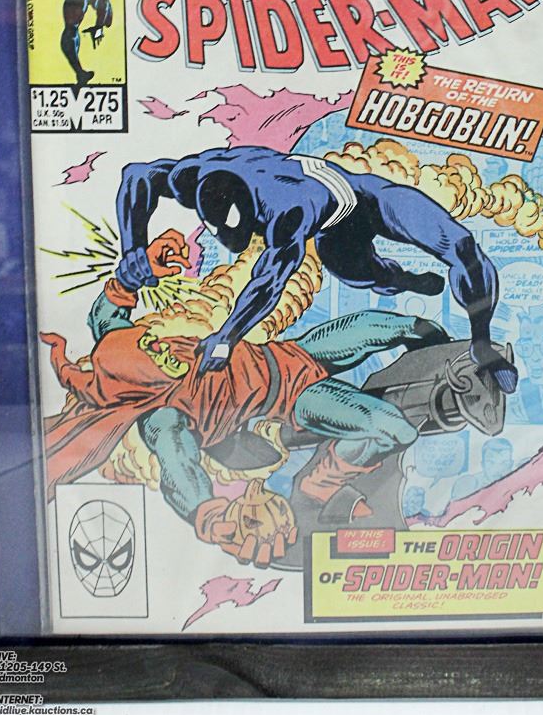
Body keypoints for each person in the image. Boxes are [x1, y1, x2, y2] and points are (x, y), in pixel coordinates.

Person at [42, 230, 451, 567]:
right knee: (392, 427)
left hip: (289, 355)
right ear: (141, 387)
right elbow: (176, 461)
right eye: (155, 357)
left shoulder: (117, 344)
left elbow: (106, 315)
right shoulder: (163, 418)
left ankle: (438, 344)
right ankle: (317, 486)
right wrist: (209, 515)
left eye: (151, 341)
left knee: (401, 327)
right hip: (291, 398)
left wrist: (139, 270)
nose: (164, 346)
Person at [114, 145, 517, 393]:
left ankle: (482, 343)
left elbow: (268, 283)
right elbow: (136, 175)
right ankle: (403, 280)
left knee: (461, 246)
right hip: (334, 235)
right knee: (369, 275)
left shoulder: (287, 208)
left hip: (366, 198)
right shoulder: (194, 174)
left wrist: (226, 336)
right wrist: (132, 248)